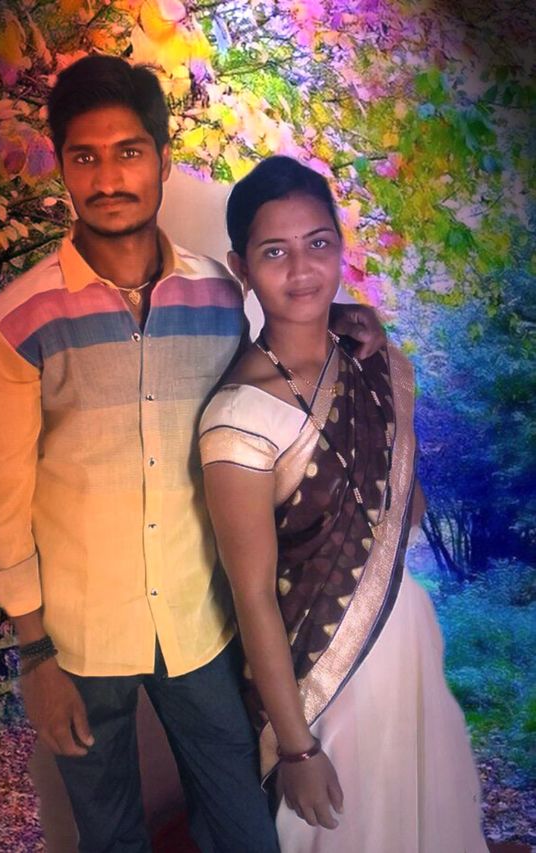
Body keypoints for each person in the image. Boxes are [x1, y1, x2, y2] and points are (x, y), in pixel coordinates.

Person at [0, 56, 384, 853]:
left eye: (128, 152)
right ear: (63, 166)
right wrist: (36, 655)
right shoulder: (14, 325)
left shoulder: (219, 296)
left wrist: (351, 320)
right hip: (79, 639)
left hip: (201, 624)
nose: (108, 177)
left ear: (160, 158)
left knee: (243, 828)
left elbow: (284, 334)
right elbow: (2, 506)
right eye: (85, 156)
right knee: (109, 836)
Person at [199, 156, 489, 853]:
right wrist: (297, 747)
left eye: (318, 243)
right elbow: (253, 597)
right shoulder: (239, 415)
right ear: (242, 268)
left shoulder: (377, 363)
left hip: (404, 638)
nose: (302, 270)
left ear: (339, 244)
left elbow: (407, 511)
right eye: (275, 252)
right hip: (318, 681)